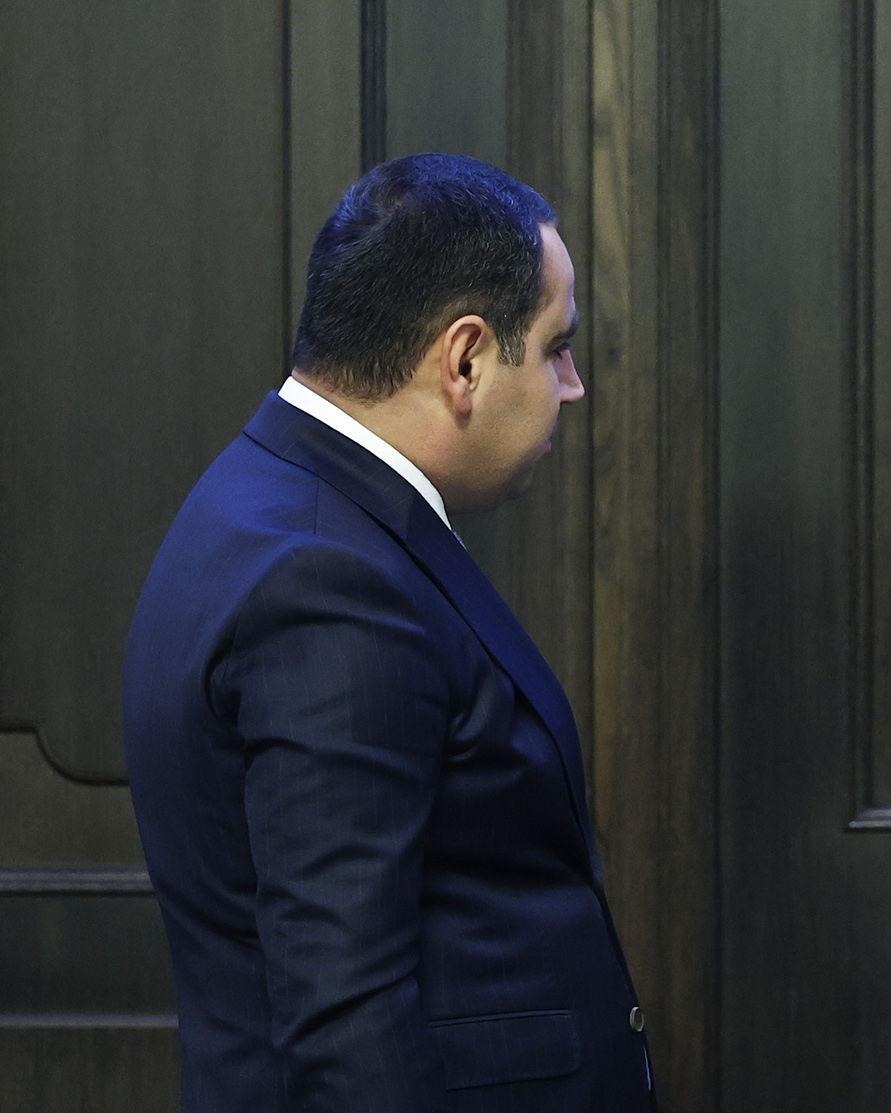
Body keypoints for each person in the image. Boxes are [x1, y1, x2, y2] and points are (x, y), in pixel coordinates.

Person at [124, 154, 652, 1112]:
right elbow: (347, 1019)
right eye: (555, 348)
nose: (572, 385)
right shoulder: (327, 582)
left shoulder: (280, 502)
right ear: (465, 360)